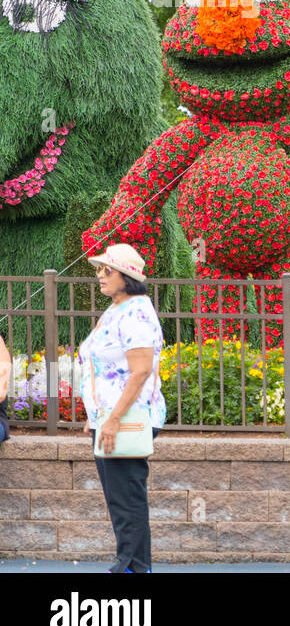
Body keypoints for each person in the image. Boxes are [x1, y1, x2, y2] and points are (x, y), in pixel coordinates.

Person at [77, 244, 166, 574]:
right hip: (111, 418)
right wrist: (97, 415)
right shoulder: (117, 309)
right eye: (98, 270)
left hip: (129, 419)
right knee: (119, 499)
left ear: (127, 277)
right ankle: (131, 565)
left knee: (126, 499)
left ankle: (131, 568)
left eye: (106, 270)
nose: (100, 276)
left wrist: (112, 419)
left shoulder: (137, 312)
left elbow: (141, 370)